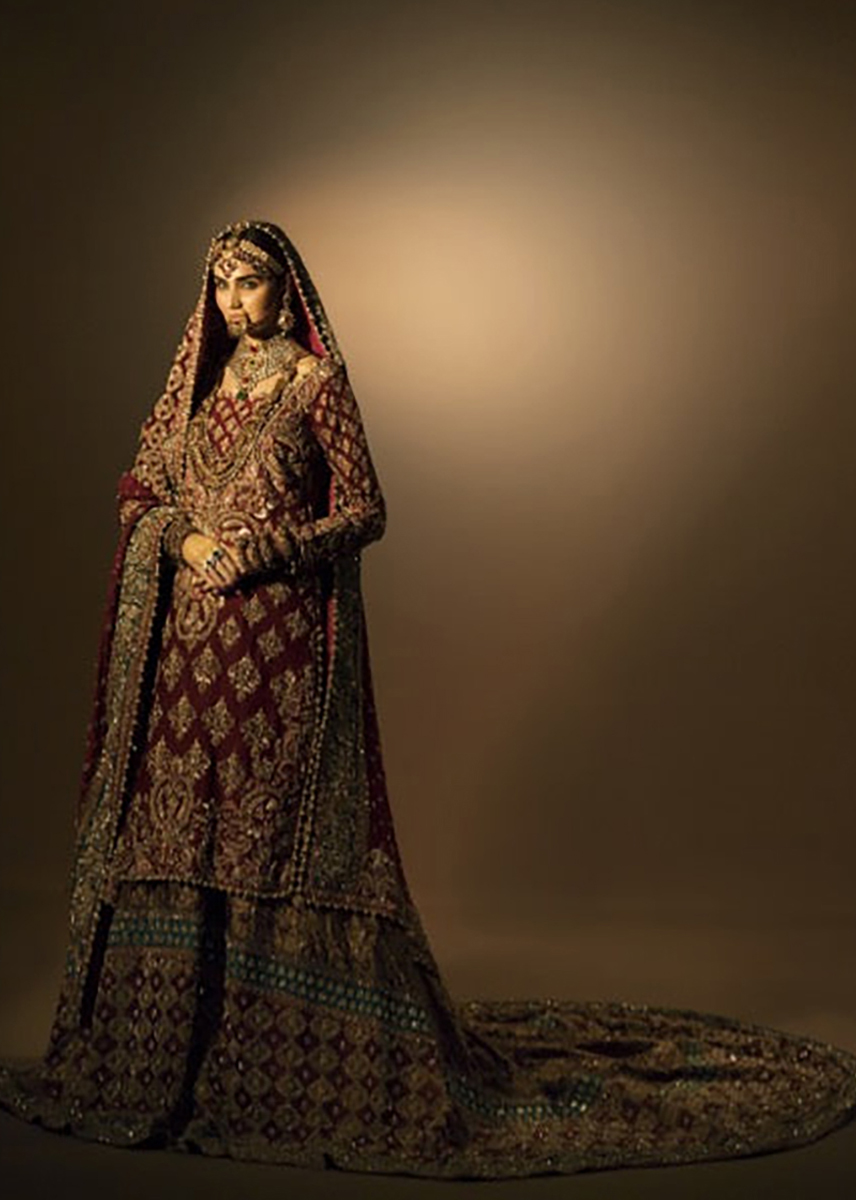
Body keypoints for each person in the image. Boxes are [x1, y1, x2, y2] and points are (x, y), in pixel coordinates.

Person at [1, 220, 854, 1178]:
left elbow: (366, 509)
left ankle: (276, 1059)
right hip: (184, 660)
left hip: (278, 652)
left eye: (254, 282)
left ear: (288, 290)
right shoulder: (194, 390)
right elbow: (139, 492)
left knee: (261, 837)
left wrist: (268, 550)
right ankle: (165, 1052)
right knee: (178, 833)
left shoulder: (315, 385)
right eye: (225, 284)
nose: (238, 302)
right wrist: (189, 542)